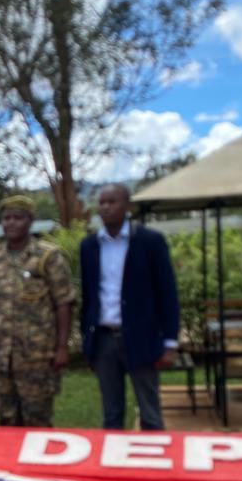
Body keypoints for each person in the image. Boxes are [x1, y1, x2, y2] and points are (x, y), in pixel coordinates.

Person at [80, 183, 180, 430]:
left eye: (112, 202)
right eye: (101, 203)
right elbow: (88, 297)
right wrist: (88, 344)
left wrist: (169, 343)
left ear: (127, 206)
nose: (105, 207)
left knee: (150, 413)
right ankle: (115, 465)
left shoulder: (150, 241)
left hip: (141, 338)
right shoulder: (89, 246)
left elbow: (167, 294)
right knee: (111, 414)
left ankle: (155, 465)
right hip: (104, 341)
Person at [0, 195, 74, 427]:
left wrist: (62, 348)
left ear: (30, 221)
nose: (11, 223)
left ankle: (38, 464)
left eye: (18, 218)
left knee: (37, 418)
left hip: (36, 355)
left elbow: (63, 303)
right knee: (6, 419)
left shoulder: (48, 257)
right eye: (7, 218)